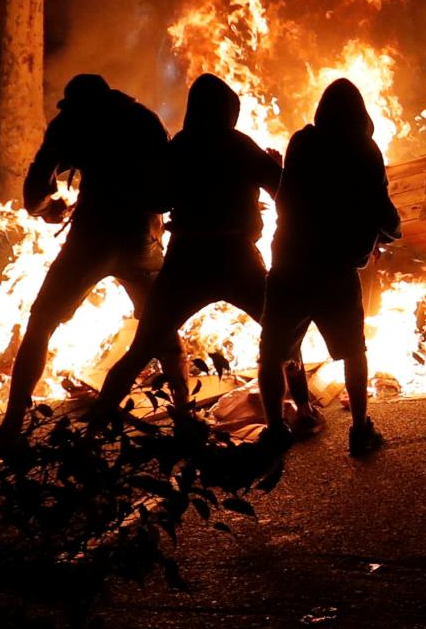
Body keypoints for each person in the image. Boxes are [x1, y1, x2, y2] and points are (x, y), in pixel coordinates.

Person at [0, 75, 188, 455]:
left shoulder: (71, 123)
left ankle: (11, 428)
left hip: (91, 240)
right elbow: (169, 189)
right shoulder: (146, 120)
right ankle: (185, 418)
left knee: (40, 324)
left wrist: (50, 209)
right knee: (162, 326)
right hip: (142, 238)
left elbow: (34, 193)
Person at [91, 74, 312, 426]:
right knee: (283, 334)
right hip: (235, 256)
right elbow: (283, 190)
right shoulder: (239, 144)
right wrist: (275, 170)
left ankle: (96, 424)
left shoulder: (180, 146)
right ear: (228, 112)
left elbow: (157, 199)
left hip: (187, 258)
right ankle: (303, 409)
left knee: (142, 347)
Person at [257, 79, 400, 456]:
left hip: (289, 263)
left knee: (272, 352)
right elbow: (381, 212)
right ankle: (360, 431)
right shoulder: (364, 151)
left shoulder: (301, 142)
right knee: (353, 350)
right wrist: (390, 232)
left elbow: (286, 199)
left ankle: (274, 431)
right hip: (334, 269)